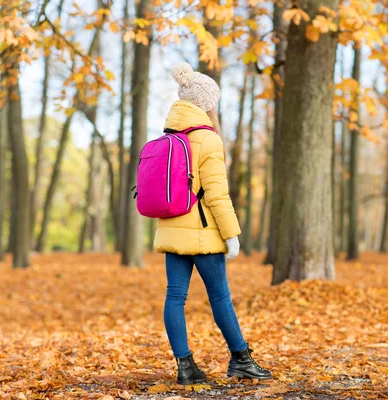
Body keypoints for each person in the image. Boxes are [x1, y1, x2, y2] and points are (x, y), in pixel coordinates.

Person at [154, 62, 272, 385]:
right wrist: (232, 235)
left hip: (171, 230)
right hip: (203, 233)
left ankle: (185, 366)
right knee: (220, 297)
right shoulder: (208, 140)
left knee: (174, 297)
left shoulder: (168, 137)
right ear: (206, 104)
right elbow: (218, 196)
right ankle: (241, 359)